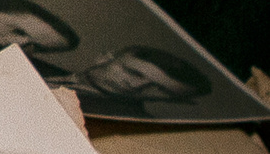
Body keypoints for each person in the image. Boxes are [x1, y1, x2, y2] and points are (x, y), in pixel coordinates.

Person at [66, 45, 213, 120]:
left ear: (175, 100)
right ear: (104, 58)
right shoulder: (51, 72)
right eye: (133, 72)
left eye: (160, 89)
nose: (135, 86)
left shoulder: (124, 126)